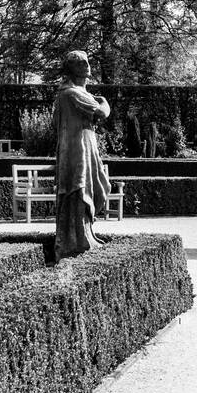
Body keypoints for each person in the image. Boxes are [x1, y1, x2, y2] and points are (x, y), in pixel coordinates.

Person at [54, 50, 110, 259]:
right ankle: (77, 240)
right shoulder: (71, 93)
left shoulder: (73, 93)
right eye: (81, 63)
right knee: (79, 188)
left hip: (84, 146)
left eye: (87, 62)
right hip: (78, 149)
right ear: (71, 69)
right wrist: (104, 101)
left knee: (85, 187)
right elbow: (102, 113)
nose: (87, 66)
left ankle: (85, 235)